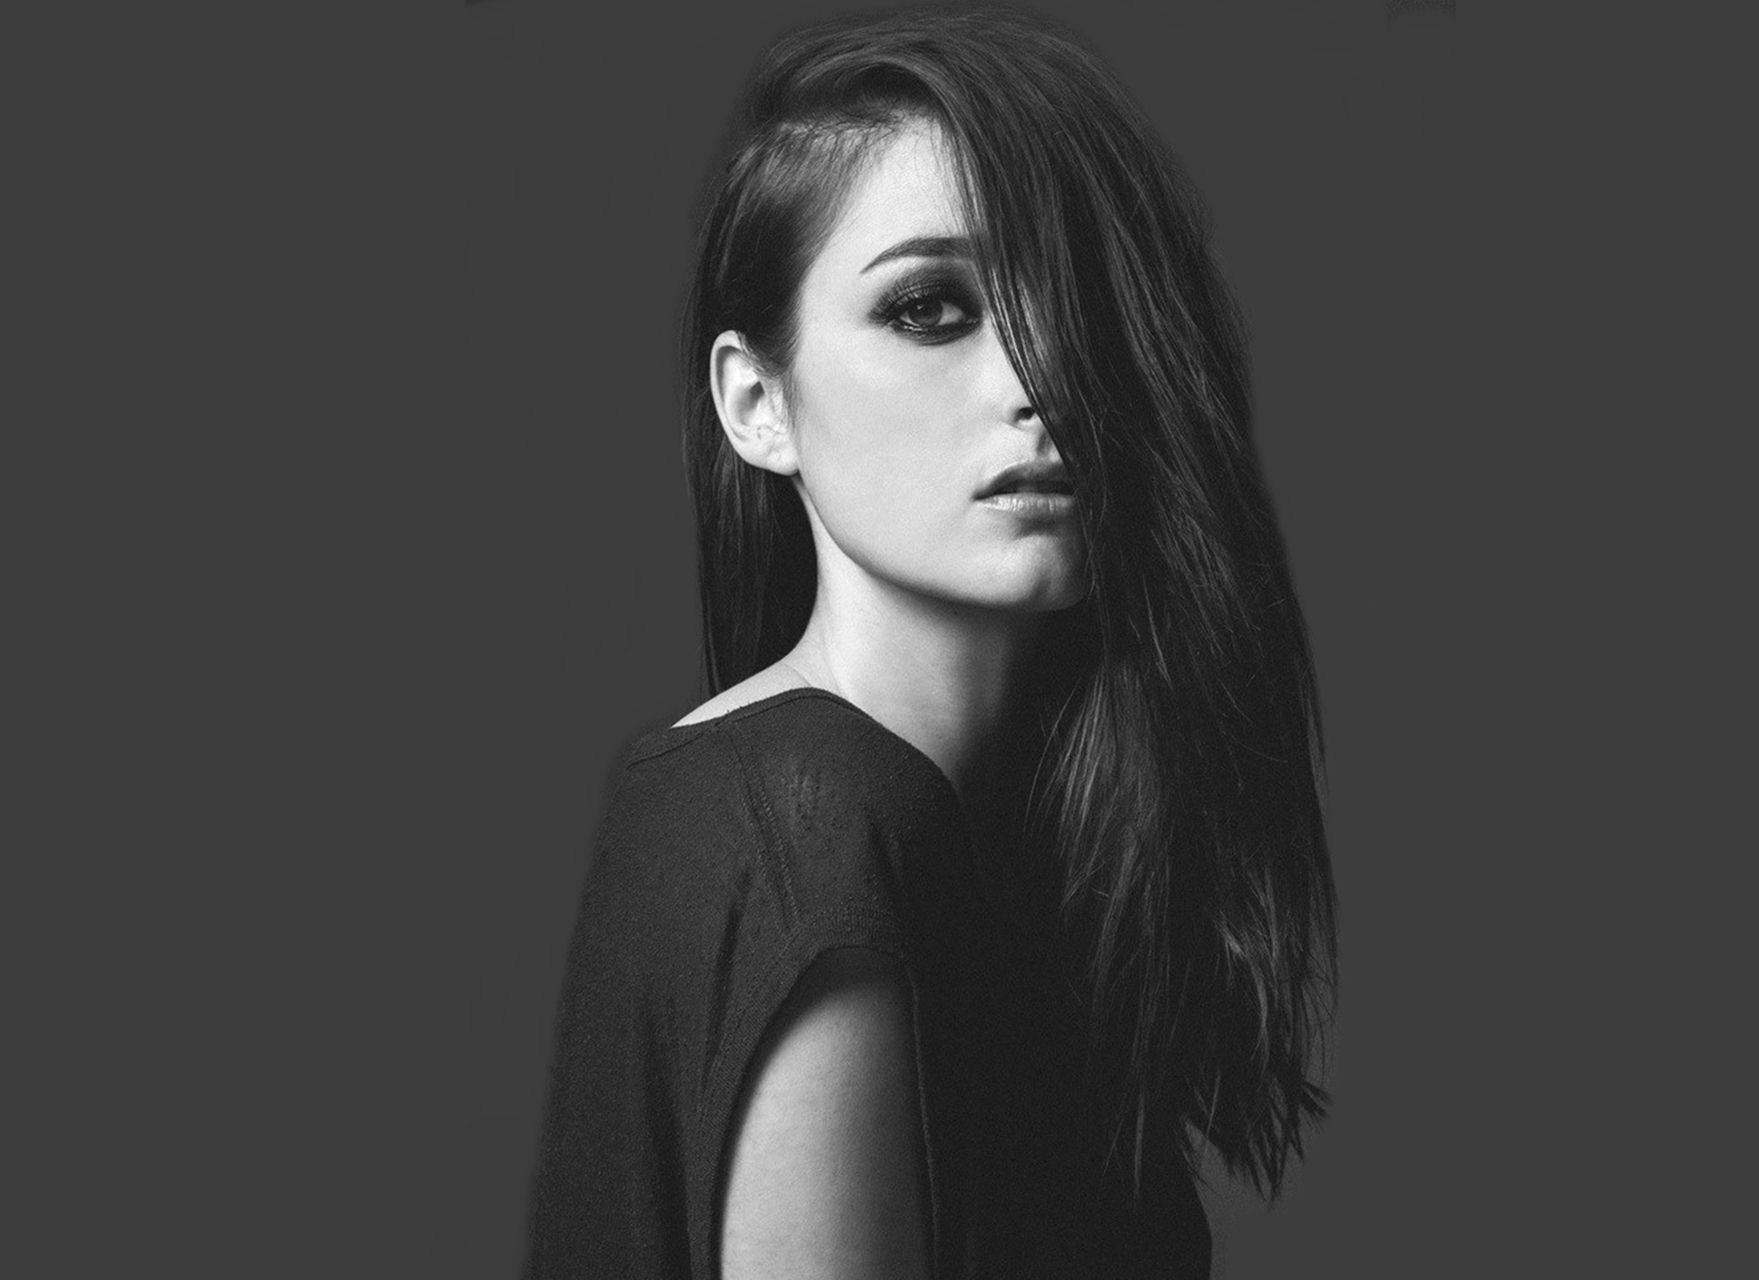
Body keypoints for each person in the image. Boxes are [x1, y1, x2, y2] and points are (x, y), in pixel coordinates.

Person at [521, 8, 1337, 1277]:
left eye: (1080, 303)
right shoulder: (817, 822)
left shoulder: (958, 843)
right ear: (757, 401)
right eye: (928, 307)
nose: (1043, 376)